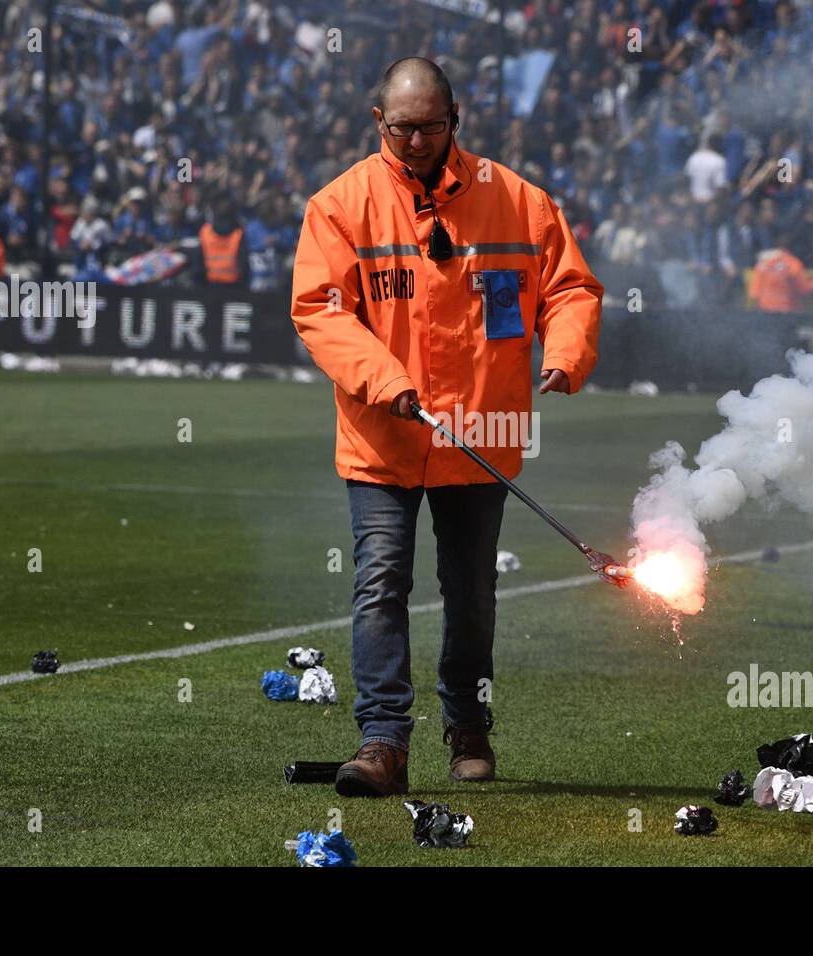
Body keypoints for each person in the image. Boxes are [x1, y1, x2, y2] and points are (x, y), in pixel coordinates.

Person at [290, 57, 602, 797]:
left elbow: (571, 287)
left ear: (455, 120)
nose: (417, 141)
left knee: (471, 594)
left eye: (431, 126)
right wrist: (387, 382)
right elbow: (321, 310)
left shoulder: (518, 202)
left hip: (480, 436)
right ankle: (382, 742)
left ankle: (468, 724)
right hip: (384, 437)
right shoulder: (340, 206)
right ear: (379, 123)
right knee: (379, 584)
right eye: (403, 129)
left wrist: (564, 353)